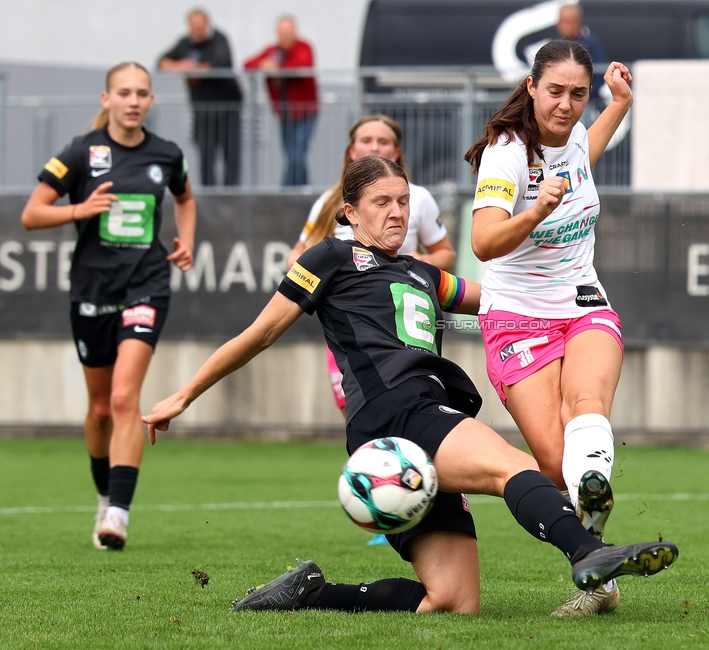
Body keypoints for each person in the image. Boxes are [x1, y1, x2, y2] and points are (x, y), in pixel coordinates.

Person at [142, 155, 676, 615]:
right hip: (394, 416)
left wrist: (577, 294)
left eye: (402, 201)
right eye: (381, 202)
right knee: (511, 465)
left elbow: (501, 298)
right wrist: (185, 394)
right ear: (350, 212)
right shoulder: (330, 257)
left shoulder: (423, 273)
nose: (397, 212)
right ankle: (588, 554)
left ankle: (311, 593)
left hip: (420, 417)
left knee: (452, 602)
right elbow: (260, 334)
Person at [463, 40, 632, 616]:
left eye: (578, 95)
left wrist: (620, 103)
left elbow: (588, 146)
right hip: (517, 316)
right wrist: (535, 212)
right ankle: (591, 526)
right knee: (557, 461)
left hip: (583, 301)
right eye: (555, 91)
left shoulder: (579, 136)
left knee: (588, 405)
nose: (566, 104)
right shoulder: (507, 154)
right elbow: (483, 242)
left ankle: (599, 580)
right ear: (531, 87)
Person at [21, 61, 196, 551]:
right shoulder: (82, 152)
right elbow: (31, 213)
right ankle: (104, 496)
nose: (134, 100)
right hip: (91, 290)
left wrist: (186, 241)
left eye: (142, 92)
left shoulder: (167, 153)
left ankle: (118, 514)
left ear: (151, 101)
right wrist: (79, 209)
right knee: (99, 410)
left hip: (147, 285)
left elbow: (186, 199)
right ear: (106, 100)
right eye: (124, 92)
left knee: (124, 399)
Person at [288, 116, 457, 547]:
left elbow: (446, 254)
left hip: (403, 315)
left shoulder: (417, 198)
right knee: (361, 399)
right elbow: (300, 252)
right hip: (352, 322)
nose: (374, 146)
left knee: (403, 395)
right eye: (365, 140)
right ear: (350, 149)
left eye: (383, 141)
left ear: (397, 152)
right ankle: (387, 486)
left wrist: (410, 265)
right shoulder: (329, 205)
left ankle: (395, 491)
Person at [159, 8, 243, 186]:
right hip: (202, 111)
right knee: (205, 153)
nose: (197, 29)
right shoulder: (185, 44)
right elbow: (162, 62)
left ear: (207, 24)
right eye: (193, 26)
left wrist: (196, 68)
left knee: (231, 154)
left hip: (228, 110)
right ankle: (209, 195)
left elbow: (221, 64)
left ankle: (231, 195)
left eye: (200, 25)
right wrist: (181, 65)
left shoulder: (219, 40)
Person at [244, 15, 318, 186]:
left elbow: (303, 64)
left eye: (289, 31)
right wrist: (264, 64)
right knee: (292, 156)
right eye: (282, 32)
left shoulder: (303, 47)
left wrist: (278, 67)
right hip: (285, 114)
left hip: (306, 112)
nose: (286, 35)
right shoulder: (272, 51)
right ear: (277, 33)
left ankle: (287, 191)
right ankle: (302, 191)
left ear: (295, 31)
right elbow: (248, 64)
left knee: (296, 156)